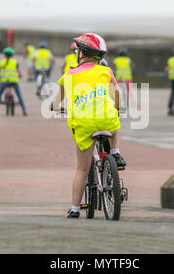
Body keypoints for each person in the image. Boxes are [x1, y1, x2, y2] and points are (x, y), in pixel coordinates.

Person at [52, 33, 127, 218]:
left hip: (84, 123)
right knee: (114, 120)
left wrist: (58, 107)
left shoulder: (68, 75)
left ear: (81, 53)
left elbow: (54, 103)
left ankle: (76, 209)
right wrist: (117, 108)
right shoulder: (105, 72)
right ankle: (115, 154)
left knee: (82, 168)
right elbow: (117, 95)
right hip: (105, 120)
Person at [0, 47, 27, 115]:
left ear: (5, 55)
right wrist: (20, 76)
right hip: (14, 81)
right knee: (19, 95)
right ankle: (24, 110)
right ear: (12, 55)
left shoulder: (2, 62)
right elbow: (20, 73)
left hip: (4, 81)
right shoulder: (15, 62)